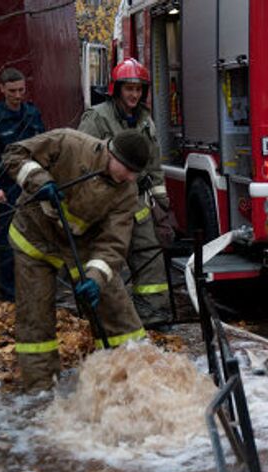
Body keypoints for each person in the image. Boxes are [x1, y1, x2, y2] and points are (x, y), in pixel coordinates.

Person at [2, 128, 150, 391]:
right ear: (110, 152)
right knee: (35, 318)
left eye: (135, 173)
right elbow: (15, 153)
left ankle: (133, 379)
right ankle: (41, 389)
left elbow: (113, 243)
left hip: (81, 245)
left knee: (117, 310)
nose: (129, 177)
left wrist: (95, 279)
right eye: (126, 168)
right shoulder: (69, 143)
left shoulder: (127, 190)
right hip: (35, 239)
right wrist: (39, 180)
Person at [77, 57, 172, 331]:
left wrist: (163, 207)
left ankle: (154, 317)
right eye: (129, 89)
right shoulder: (97, 117)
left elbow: (153, 163)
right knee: (107, 258)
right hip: (107, 201)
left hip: (139, 202)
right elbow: (85, 161)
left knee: (149, 257)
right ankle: (105, 321)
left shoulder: (144, 119)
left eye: (139, 89)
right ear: (116, 89)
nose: (134, 94)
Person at [0, 67, 45, 301]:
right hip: (7, 189)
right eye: (13, 90)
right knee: (9, 244)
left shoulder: (32, 114)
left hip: (32, 187)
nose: (18, 95)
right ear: (2, 89)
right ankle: (10, 296)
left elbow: (44, 148)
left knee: (36, 240)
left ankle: (36, 291)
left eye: (22, 90)